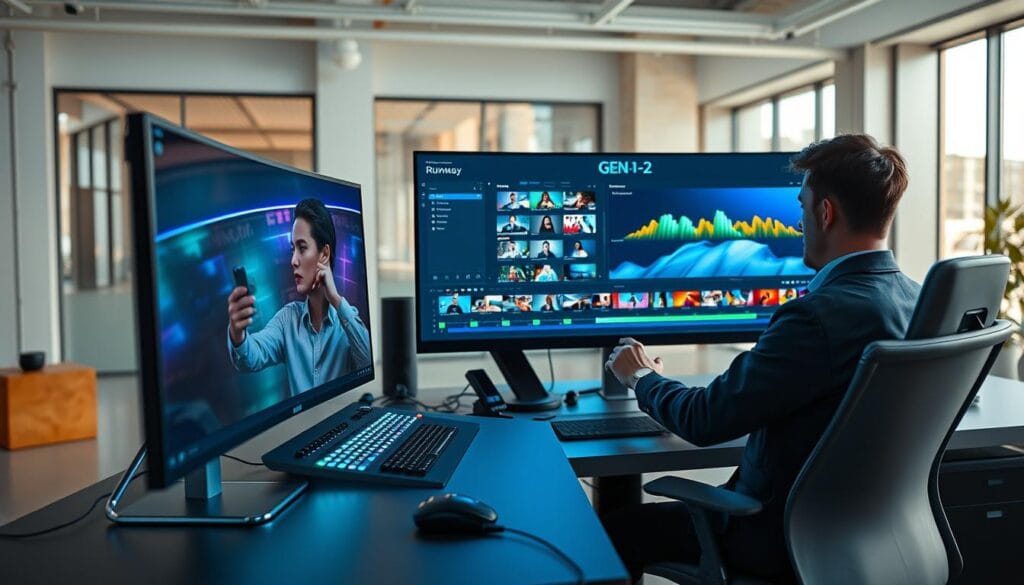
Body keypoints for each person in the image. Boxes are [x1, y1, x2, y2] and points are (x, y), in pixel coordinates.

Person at [602, 134, 918, 583]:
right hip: (867, 534)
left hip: (773, 537)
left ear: (825, 213)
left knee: (605, 534)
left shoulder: (814, 316)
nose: (800, 221)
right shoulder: (916, 300)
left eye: (801, 206)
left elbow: (704, 421)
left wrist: (642, 378)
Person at [227, 198, 372, 397]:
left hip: (341, 424)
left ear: (324, 254)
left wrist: (336, 299)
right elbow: (250, 358)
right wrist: (237, 332)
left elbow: (367, 362)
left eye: (302, 248)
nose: (293, 260)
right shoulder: (287, 320)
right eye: (292, 249)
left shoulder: (346, 320)